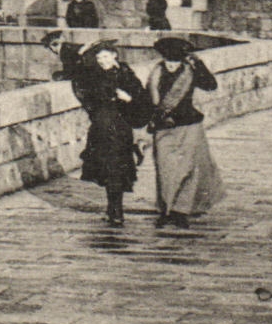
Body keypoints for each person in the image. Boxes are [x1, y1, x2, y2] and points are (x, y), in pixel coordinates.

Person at [146, 36, 225, 228]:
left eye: (175, 61)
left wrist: (199, 64)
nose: (171, 65)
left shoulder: (190, 71)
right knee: (165, 169)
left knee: (188, 168)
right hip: (163, 126)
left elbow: (210, 85)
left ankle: (180, 211)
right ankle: (166, 209)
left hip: (189, 125)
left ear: (182, 60)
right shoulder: (156, 73)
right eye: (168, 61)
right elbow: (148, 99)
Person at [69, 40, 149, 225]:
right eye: (99, 58)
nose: (102, 61)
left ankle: (116, 209)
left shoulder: (126, 75)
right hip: (102, 128)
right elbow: (79, 84)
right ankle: (113, 208)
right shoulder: (93, 76)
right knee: (107, 169)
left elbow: (142, 100)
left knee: (116, 167)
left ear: (114, 56)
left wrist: (128, 99)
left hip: (120, 129)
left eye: (105, 57)